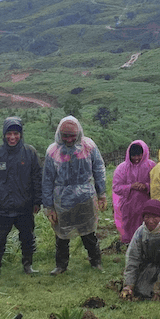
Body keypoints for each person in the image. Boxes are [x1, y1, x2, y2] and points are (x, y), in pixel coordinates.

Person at [42, 116, 107, 274]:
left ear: (78, 133)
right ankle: (61, 265)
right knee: (62, 234)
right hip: (62, 199)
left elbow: (98, 169)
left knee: (88, 232)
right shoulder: (52, 151)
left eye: (72, 135)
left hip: (85, 196)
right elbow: (47, 180)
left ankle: (95, 261)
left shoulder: (89, 146)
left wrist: (102, 194)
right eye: (65, 135)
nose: (69, 139)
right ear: (60, 134)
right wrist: (49, 207)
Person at [0, 116, 42, 277]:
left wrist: (38, 201)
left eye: (16, 133)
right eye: (9, 134)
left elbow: (37, 178)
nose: (12, 137)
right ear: (4, 134)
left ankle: (28, 265)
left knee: (28, 238)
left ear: (21, 134)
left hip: (25, 206)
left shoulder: (29, 153)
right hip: (2, 207)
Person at [121, 199, 160, 300]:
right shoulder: (141, 232)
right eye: (147, 217)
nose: (150, 221)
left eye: (155, 217)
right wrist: (129, 285)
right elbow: (133, 257)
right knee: (140, 290)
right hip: (150, 267)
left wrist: (159, 290)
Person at [112, 140, 156, 245]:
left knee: (147, 228)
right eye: (133, 156)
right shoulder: (122, 168)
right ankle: (130, 249)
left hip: (146, 205)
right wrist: (130, 186)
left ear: (144, 153)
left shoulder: (152, 166)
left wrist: (146, 186)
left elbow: (158, 185)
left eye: (139, 155)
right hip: (128, 207)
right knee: (129, 229)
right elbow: (116, 187)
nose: (136, 158)